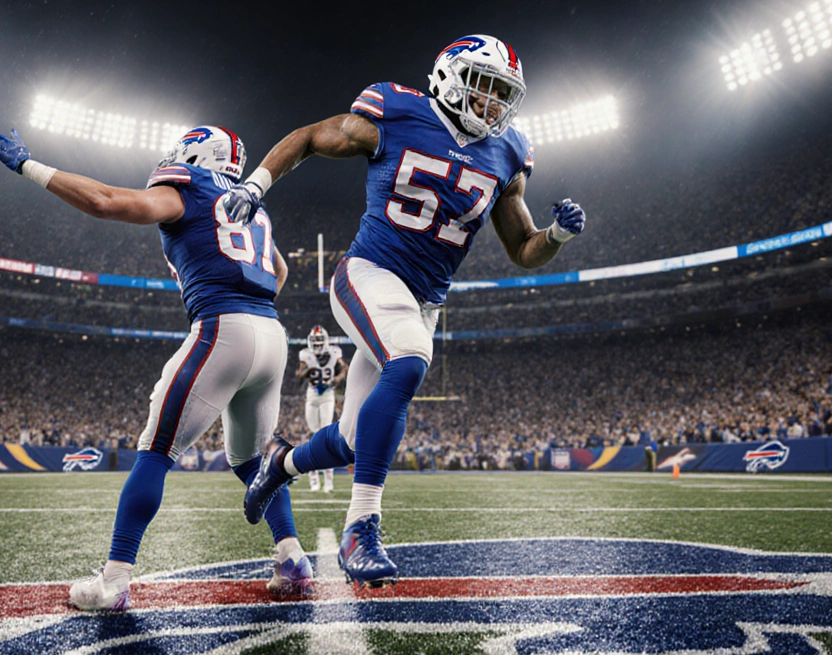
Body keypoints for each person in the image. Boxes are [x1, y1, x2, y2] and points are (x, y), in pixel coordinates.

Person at [231, 35, 586, 586]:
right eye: (485, 87)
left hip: (424, 301)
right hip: (368, 272)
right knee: (411, 357)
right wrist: (256, 185)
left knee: (353, 438)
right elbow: (308, 138)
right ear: (450, 77)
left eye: (503, 94)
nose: (494, 103)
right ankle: (361, 527)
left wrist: (557, 235)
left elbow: (523, 250)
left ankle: (280, 464)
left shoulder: (509, 151)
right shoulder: (396, 112)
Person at [0, 124, 312, 610]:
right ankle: (293, 561)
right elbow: (279, 271)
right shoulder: (250, 203)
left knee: (156, 451)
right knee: (253, 462)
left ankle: (113, 582)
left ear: (195, 154)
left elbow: (105, 200)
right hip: (271, 335)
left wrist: (28, 165)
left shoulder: (189, 185)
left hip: (225, 328)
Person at [296, 325, 348, 492]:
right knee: (313, 434)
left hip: (327, 395)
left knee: (323, 435)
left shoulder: (334, 353)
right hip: (312, 394)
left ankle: (328, 480)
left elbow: (344, 369)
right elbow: (299, 373)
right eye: (314, 342)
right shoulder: (306, 355)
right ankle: (314, 479)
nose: (317, 345)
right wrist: (306, 372)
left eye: (319, 341)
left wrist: (337, 379)